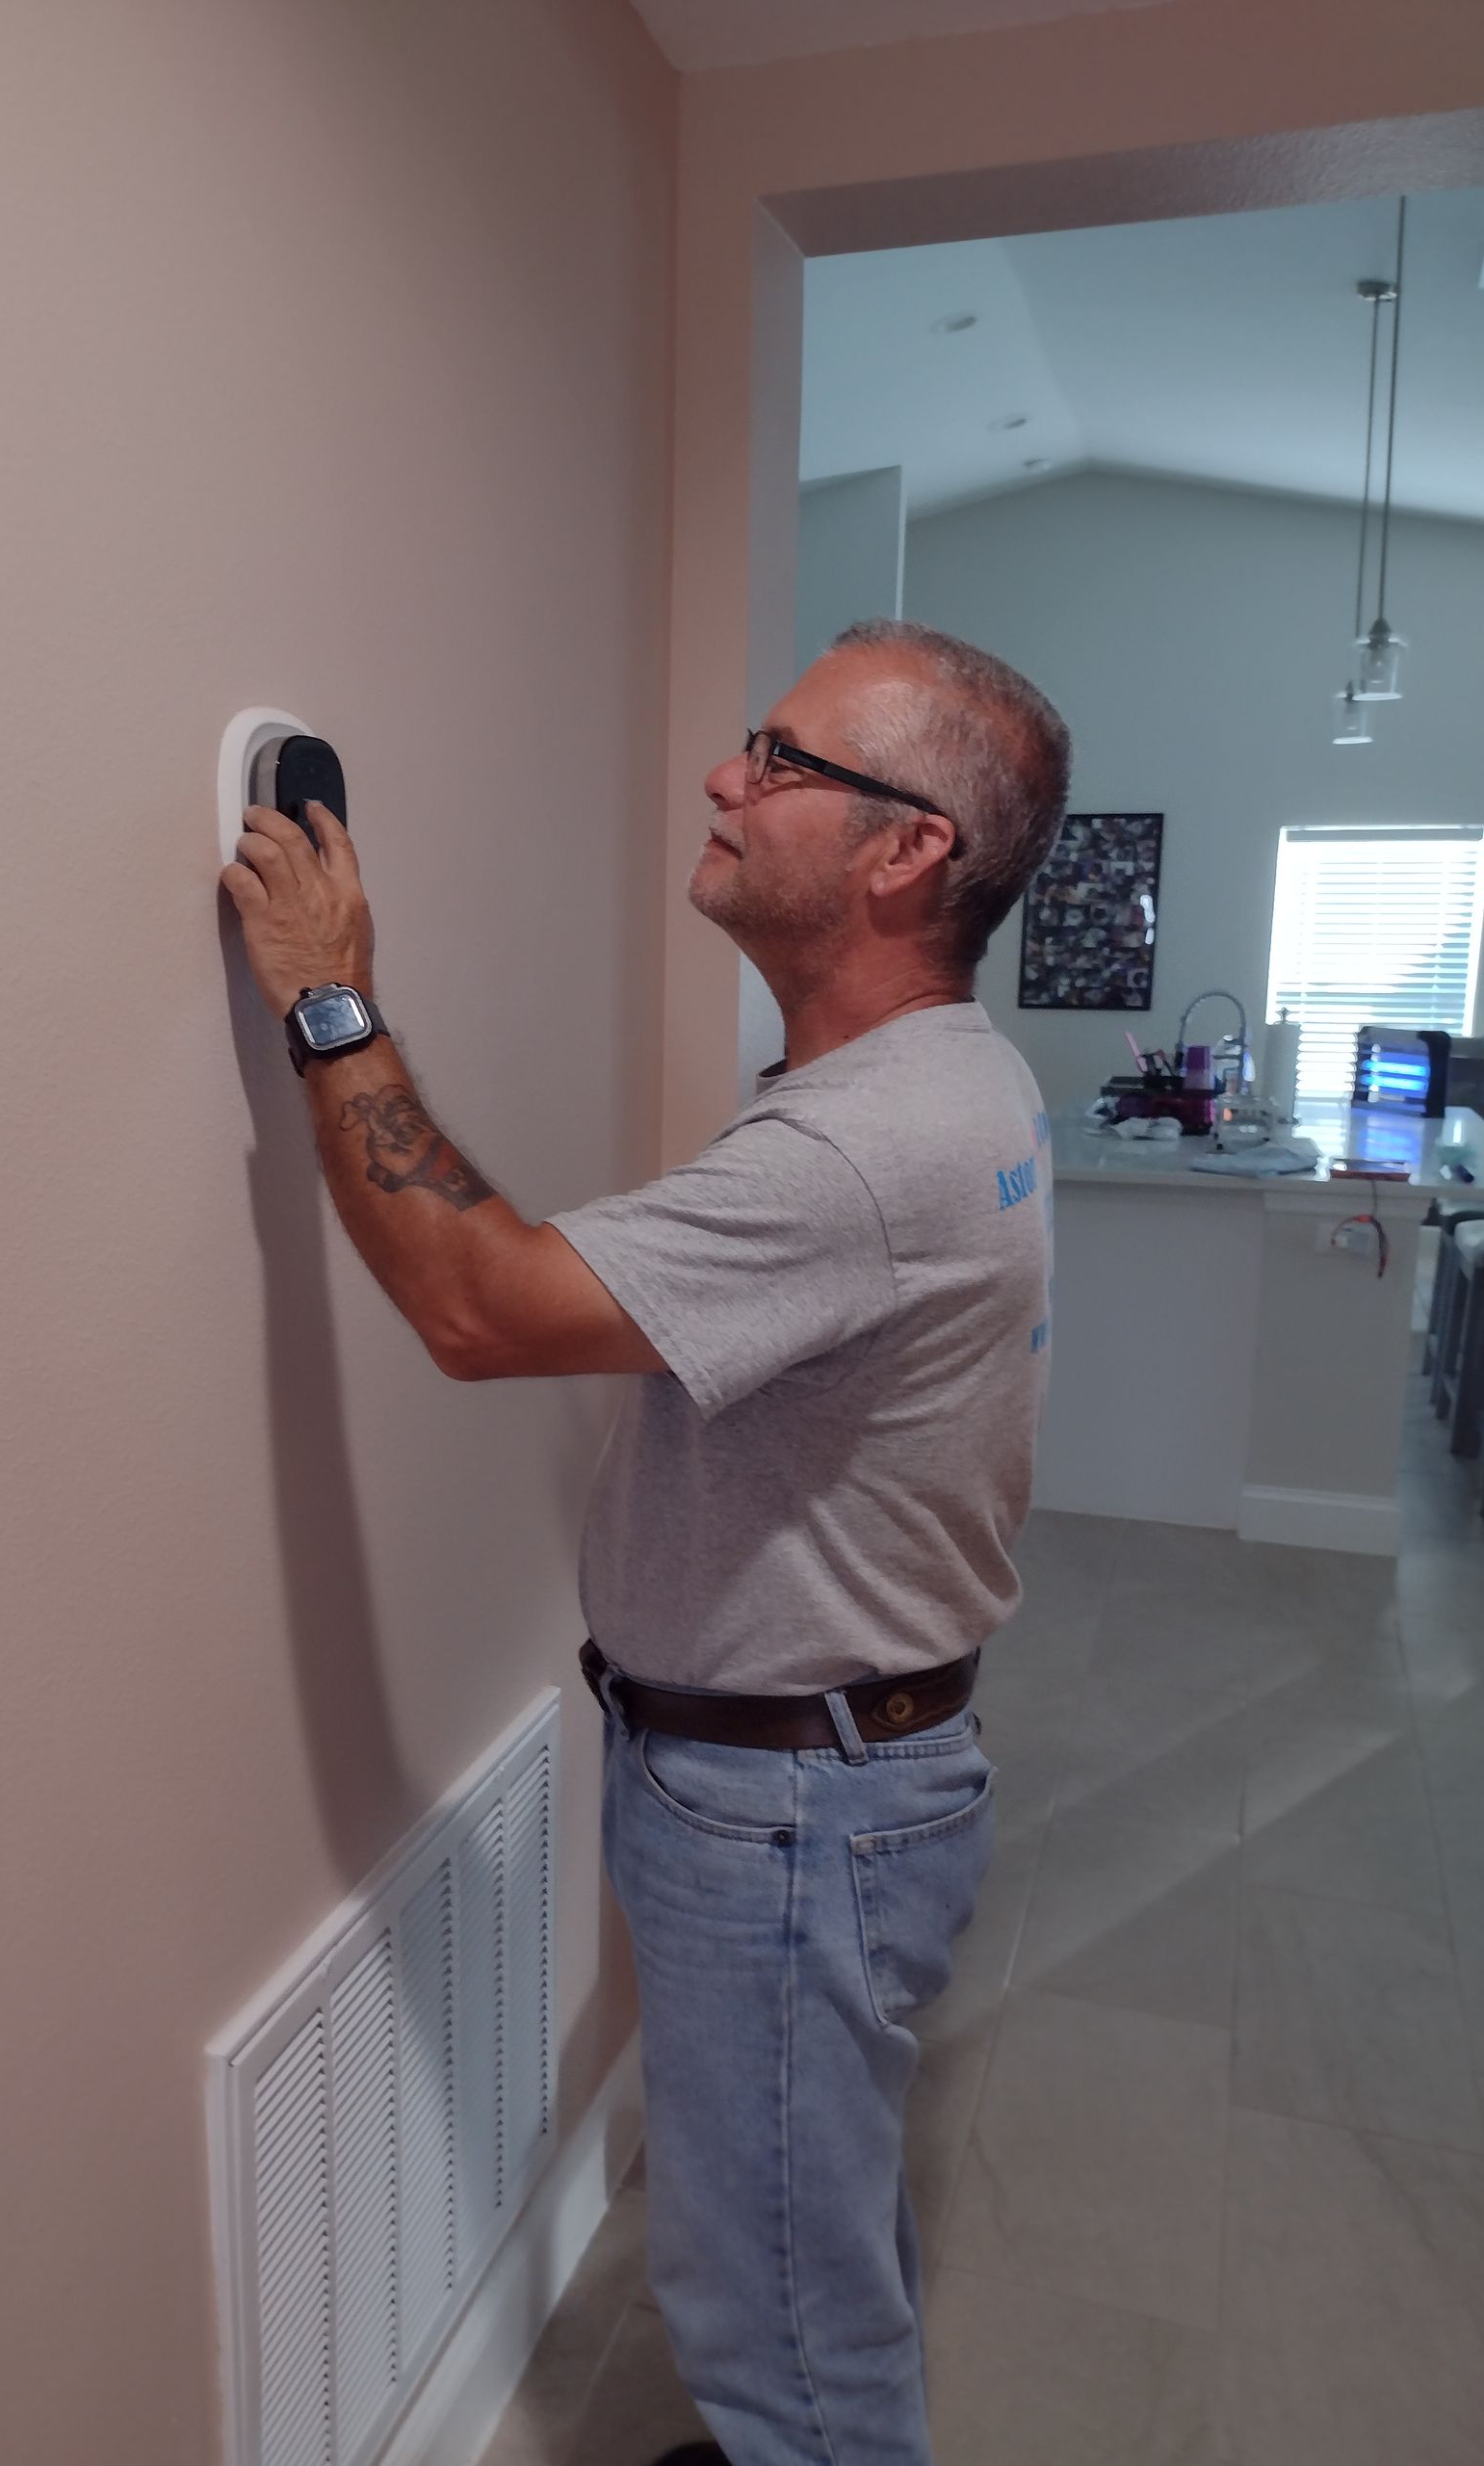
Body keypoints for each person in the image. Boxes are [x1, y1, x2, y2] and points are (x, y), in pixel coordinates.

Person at [221, 617, 1070, 2466]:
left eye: (784, 756)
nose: (724, 774)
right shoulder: (958, 1083)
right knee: (806, 2236)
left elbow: (478, 1305)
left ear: (909, 847)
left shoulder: (860, 1154)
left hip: (795, 1816)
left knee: (779, 2326)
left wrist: (331, 998)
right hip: (845, 1776)